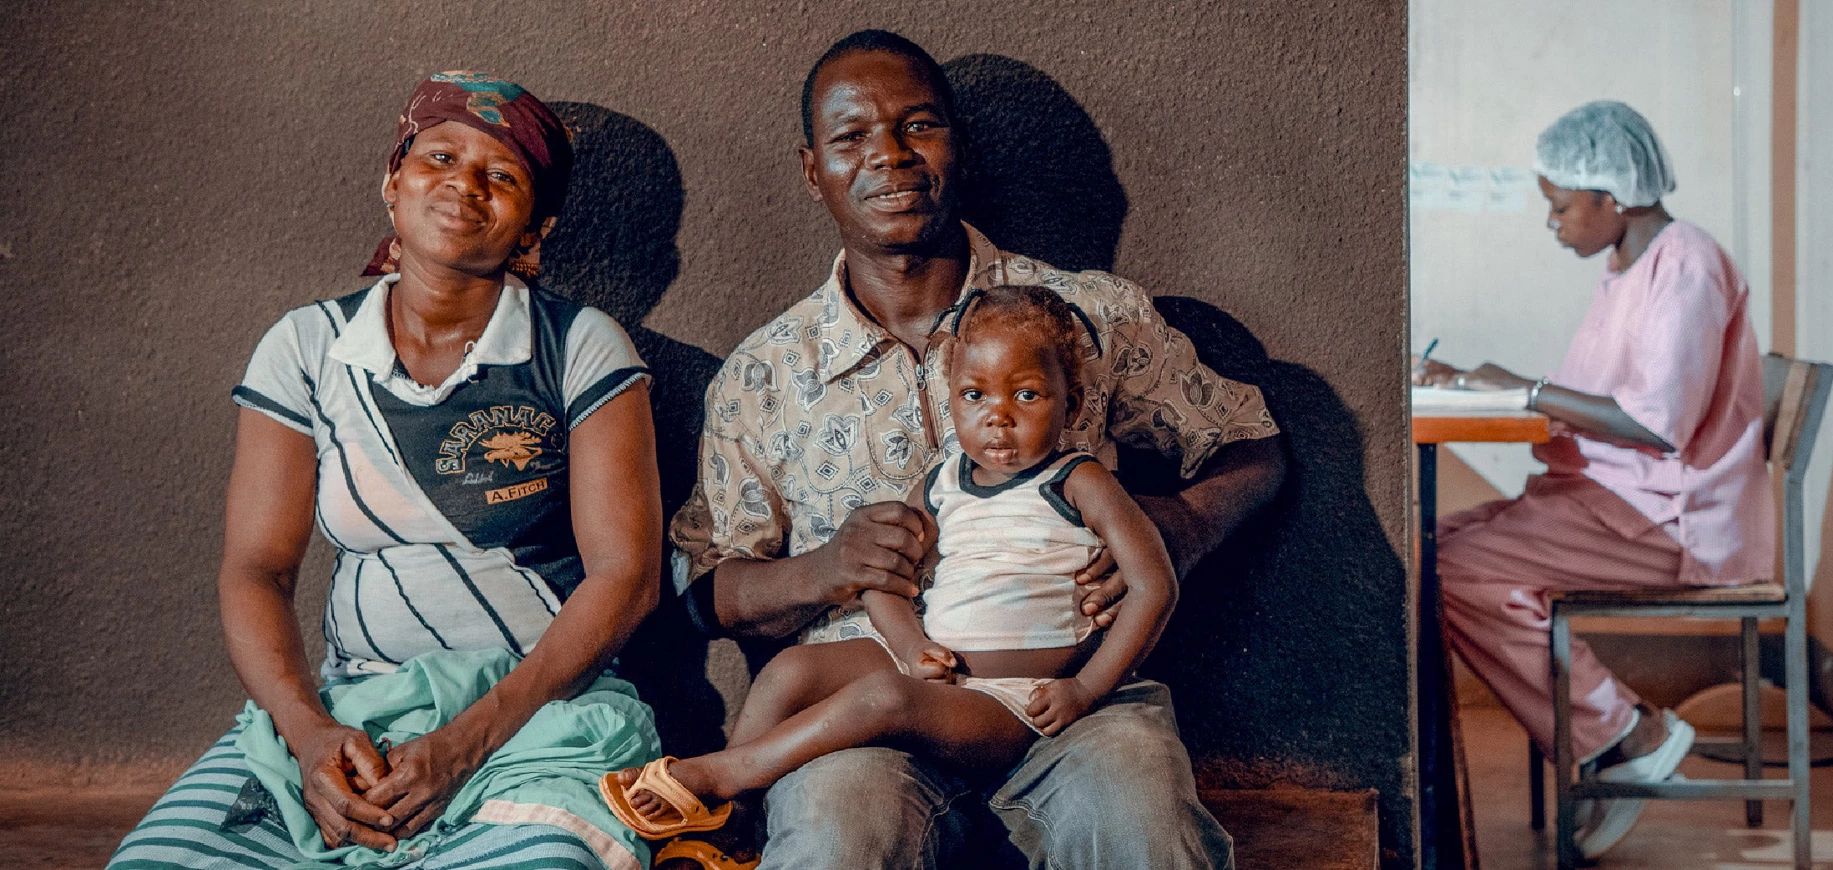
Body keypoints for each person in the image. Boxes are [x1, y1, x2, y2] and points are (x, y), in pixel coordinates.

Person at [669, 29, 1286, 870]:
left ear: (956, 144)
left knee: (1138, 812)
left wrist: (1181, 523)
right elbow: (707, 586)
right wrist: (827, 568)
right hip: (863, 720)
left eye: (918, 126)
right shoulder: (764, 375)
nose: (889, 155)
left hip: (1072, 697)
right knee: (833, 837)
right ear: (813, 169)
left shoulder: (1089, 315)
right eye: (852, 138)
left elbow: (1250, 443)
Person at [108, 72, 666, 870]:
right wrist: (307, 737)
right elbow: (257, 570)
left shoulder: (579, 347)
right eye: (438, 155)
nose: (463, 185)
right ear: (392, 181)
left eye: (501, 175)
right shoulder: (307, 347)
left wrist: (468, 740)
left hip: (539, 718)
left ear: (533, 227)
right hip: (351, 719)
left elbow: (626, 575)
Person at [606, 284, 1179, 850]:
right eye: (975, 396)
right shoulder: (942, 483)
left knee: (884, 698)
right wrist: (909, 646)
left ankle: (723, 775)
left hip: (1020, 698)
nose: (998, 419)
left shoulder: (1080, 482)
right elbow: (885, 577)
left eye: (1026, 396)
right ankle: (734, 825)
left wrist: (1085, 688)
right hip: (940, 664)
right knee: (792, 671)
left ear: (1071, 403)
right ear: (950, 396)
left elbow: (1155, 587)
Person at [1412, 100, 1773, 860]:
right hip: (1613, 502)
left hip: (1672, 520)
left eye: (1561, 206)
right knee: (1428, 549)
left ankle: (1625, 733)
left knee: (1445, 572)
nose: (1555, 224)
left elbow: (1658, 423)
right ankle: (1612, 737)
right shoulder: (1631, 267)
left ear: (1614, 197)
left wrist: (1527, 390)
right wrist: (1486, 384)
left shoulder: (1689, 264)